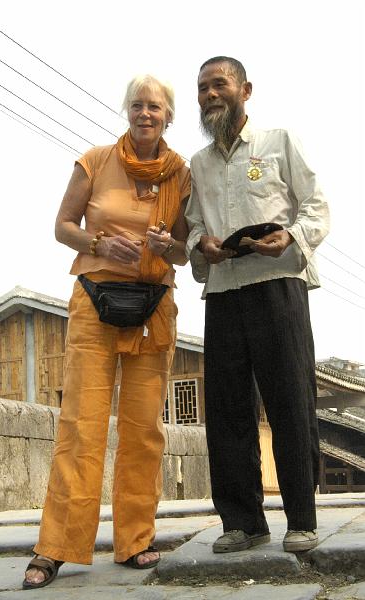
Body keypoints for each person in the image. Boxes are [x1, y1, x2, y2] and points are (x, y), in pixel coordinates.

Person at [23, 74, 190, 589]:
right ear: (127, 111)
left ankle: (135, 540)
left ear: (168, 116)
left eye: (155, 107)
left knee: (143, 430)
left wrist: (165, 248)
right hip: (95, 302)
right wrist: (97, 244)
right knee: (81, 424)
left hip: (153, 308)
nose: (146, 114)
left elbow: (186, 250)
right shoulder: (95, 160)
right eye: (138, 105)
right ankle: (55, 548)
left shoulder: (181, 173)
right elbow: (62, 226)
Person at [185, 56, 330, 554]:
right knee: (226, 410)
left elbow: (316, 207)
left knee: (290, 400)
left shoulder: (278, 142)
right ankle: (243, 522)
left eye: (218, 84)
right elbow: (193, 227)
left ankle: (302, 519)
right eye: (203, 88)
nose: (209, 95)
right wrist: (201, 245)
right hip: (224, 291)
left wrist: (289, 235)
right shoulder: (198, 165)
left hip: (277, 284)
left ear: (245, 89)